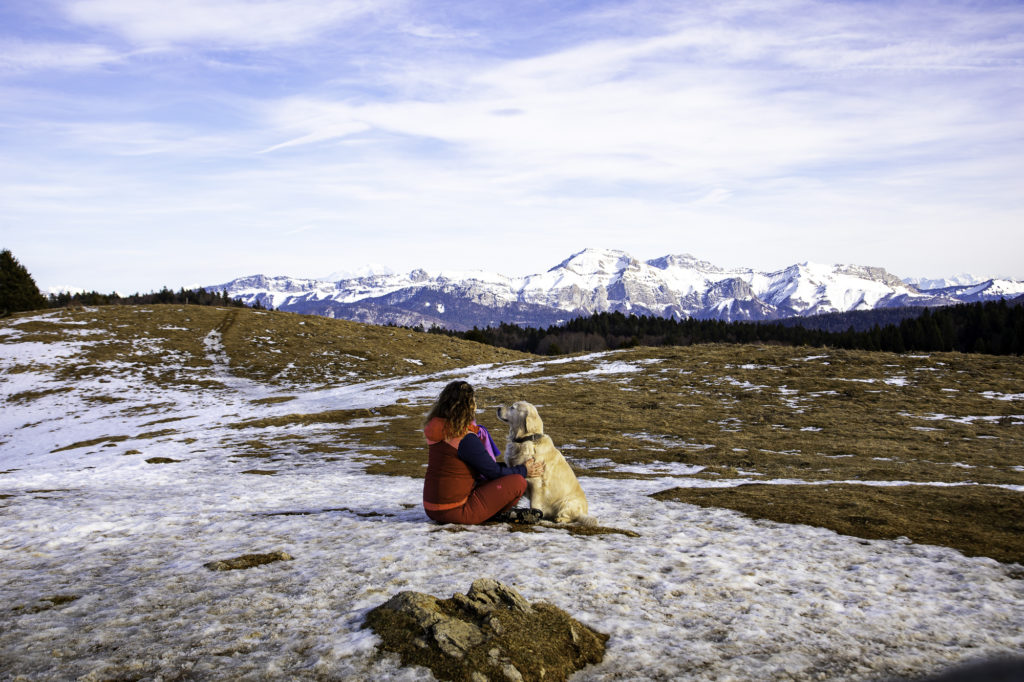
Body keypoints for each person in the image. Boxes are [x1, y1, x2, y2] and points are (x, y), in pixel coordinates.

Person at [422, 380, 544, 524]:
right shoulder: (463, 438)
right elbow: (492, 472)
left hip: (432, 508)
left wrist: (513, 468)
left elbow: (484, 467)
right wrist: (523, 470)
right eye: (473, 402)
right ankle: (496, 514)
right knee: (518, 482)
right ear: (467, 407)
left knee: (506, 473)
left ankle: (492, 512)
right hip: (455, 511)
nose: (476, 406)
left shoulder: (442, 430)